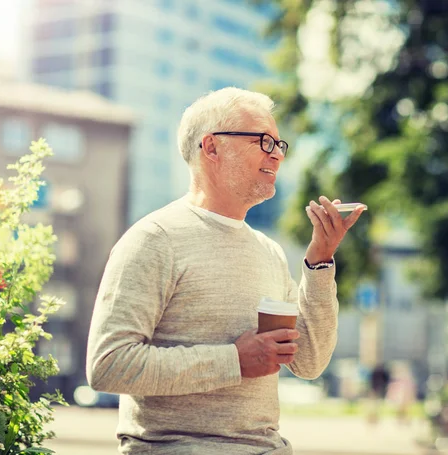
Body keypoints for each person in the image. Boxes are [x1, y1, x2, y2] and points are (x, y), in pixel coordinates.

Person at [86, 87, 366, 454]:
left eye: (280, 145)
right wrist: (233, 360)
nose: (276, 156)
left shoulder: (269, 252)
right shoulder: (154, 239)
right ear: (212, 147)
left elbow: (309, 361)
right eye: (264, 142)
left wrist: (320, 261)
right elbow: (109, 364)